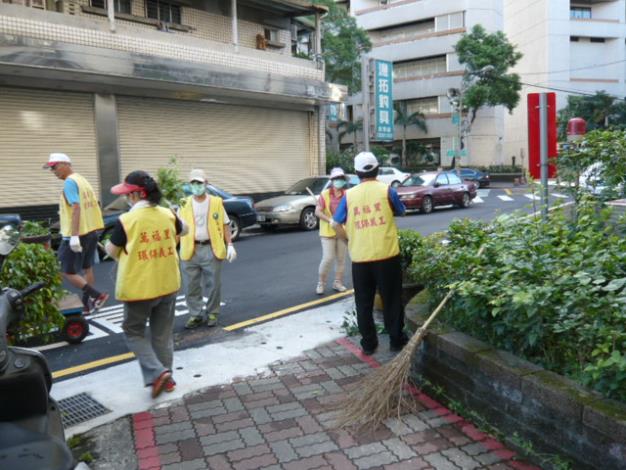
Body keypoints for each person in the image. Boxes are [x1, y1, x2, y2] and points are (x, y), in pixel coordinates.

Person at [105, 171, 185, 398]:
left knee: (133, 331)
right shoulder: (168, 214)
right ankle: (167, 380)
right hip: (168, 283)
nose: (126, 198)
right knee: (162, 334)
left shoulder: (127, 220)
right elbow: (184, 229)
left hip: (139, 288)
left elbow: (111, 251)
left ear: (139, 194)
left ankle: (158, 373)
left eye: (128, 193)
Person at [331, 152, 408, 355]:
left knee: (363, 303)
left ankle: (368, 344)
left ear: (356, 172)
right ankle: (396, 340)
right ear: (377, 169)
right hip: (387, 256)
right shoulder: (387, 191)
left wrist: (348, 239)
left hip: (360, 258)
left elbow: (335, 223)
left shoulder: (349, 195)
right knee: (391, 299)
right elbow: (401, 211)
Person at [44, 153, 108, 314]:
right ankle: (87, 304)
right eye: (51, 168)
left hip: (77, 235)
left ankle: (98, 296)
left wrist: (73, 235)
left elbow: (76, 207)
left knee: (65, 270)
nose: (53, 171)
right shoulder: (82, 179)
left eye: (55, 167)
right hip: (90, 231)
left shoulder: (70, 182)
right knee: (87, 268)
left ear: (66, 164)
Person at [178, 169, 237, 329]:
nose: (196, 186)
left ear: (206, 183)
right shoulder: (184, 203)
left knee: (213, 284)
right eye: (193, 183)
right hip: (190, 249)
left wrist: (230, 244)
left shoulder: (216, 202)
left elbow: (225, 224)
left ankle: (212, 313)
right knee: (191, 285)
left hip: (211, 247)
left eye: (199, 183)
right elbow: (177, 228)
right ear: (189, 185)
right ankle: (195, 315)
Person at [314, 167, 348, 295]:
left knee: (341, 259)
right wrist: (330, 220)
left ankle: (337, 283)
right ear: (332, 180)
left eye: (341, 178)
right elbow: (317, 211)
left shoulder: (347, 194)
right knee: (328, 258)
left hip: (342, 231)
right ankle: (321, 283)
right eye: (336, 179)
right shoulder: (325, 194)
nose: (338, 181)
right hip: (327, 232)